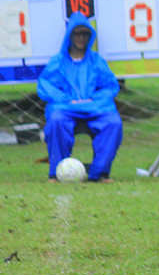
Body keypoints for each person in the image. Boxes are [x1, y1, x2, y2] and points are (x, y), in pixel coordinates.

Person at [37, 12, 123, 183]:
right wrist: (66, 99)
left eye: (85, 34)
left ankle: (99, 173)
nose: (81, 38)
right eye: (77, 33)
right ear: (70, 35)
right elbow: (45, 85)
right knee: (56, 121)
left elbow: (110, 86)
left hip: (95, 109)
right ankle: (56, 173)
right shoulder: (58, 61)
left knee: (113, 123)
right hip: (66, 109)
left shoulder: (96, 61)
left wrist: (94, 100)